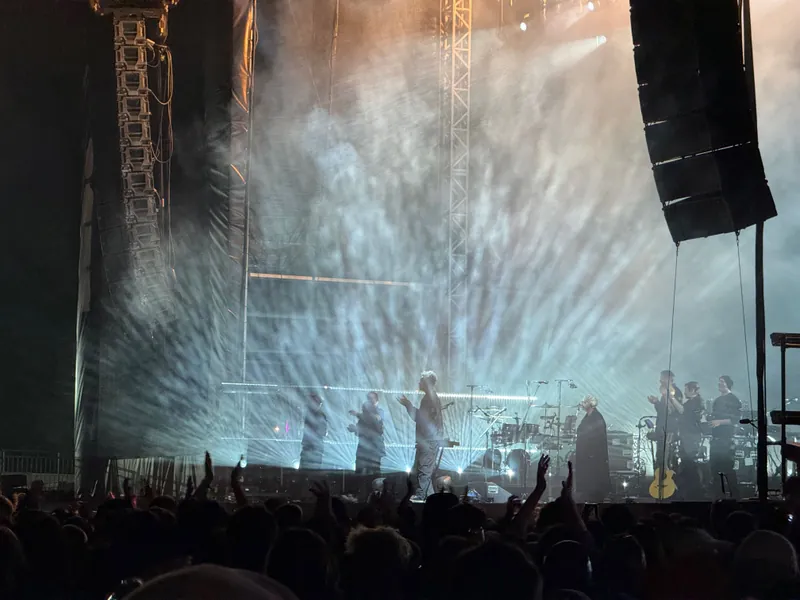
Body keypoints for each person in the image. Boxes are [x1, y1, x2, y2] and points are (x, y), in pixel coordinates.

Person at [398, 371, 443, 499]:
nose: (419, 382)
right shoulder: (429, 398)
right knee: (423, 472)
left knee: (424, 472)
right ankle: (430, 499)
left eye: (421, 380)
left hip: (428, 441)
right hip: (427, 441)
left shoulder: (430, 399)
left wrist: (408, 405)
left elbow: (421, 419)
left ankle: (422, 497)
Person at [709, 375, 741, 498]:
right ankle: (719, 496)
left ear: (728, 384)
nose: (719, 384)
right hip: (715, 439)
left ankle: (735, 497)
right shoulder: (717, 400)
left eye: (722, 382)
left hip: (726, 440)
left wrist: (720, 422)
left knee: (728, 468)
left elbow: (735, 419)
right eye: (719, 382)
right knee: (714, 469)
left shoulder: (733, 399)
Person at [574, 394, 610, 502]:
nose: (582, 404)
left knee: (593, 478)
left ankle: (594, 497)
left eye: (584, 402)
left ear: (590, 404)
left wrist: (591, 451)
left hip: (593, 455)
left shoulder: (597, 417)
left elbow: (598, 436)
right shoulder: (588, 417)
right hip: (586, 454)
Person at [647, 370, 683, 475]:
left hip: (669, 429)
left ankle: (669, 481)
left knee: (666, 456)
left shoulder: (675, 392)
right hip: (661, 428)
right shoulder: (664, 393)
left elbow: (671, 411)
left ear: (668, 378)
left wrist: (667, 396)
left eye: (662, 378)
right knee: (660, 456)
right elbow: (662, 411)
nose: (660, 381)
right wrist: (656, 402)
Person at [675, 381, 705, 500]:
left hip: (691, 437)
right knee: (687, 464)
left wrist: (672, 398)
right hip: (687, 436)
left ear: (693, 390)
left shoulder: (695, 402)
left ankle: (693, 492)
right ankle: (689, 491)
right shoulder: (693, 402)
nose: (684, 392)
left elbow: (682, 410)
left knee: (689, 464)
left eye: (686, 389)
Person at [348, 391, 386, 475]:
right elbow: (363, 428)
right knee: (360, 472)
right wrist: (355, 429)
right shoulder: (363, 416)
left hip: (374, 449)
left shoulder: (379, 412)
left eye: (372, 398)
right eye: (369, 398)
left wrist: (358, 414)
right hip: (363, 449)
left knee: (374, 472)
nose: (370, 400)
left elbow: (373, 423)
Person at [300, 393, 327, 470]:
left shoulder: (319, 416)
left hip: (314, 448)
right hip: (310, 447)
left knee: (312, 469)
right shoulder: (309, 415)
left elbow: (322, 432)